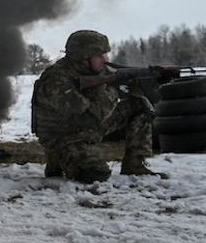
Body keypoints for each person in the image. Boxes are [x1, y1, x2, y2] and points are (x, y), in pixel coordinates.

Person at [31, 30, 162, 183]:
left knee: (139, 105)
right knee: (95, 174)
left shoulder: (94, 71)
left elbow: (117, 77)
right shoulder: (56, 80)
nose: (105, 59)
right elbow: (92, 117)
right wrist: (112, 90)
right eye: (99, 55)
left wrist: (141, 83)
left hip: (85, 129)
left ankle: (135, 164)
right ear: (83, 57)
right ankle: (57, 158)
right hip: (63, 138)